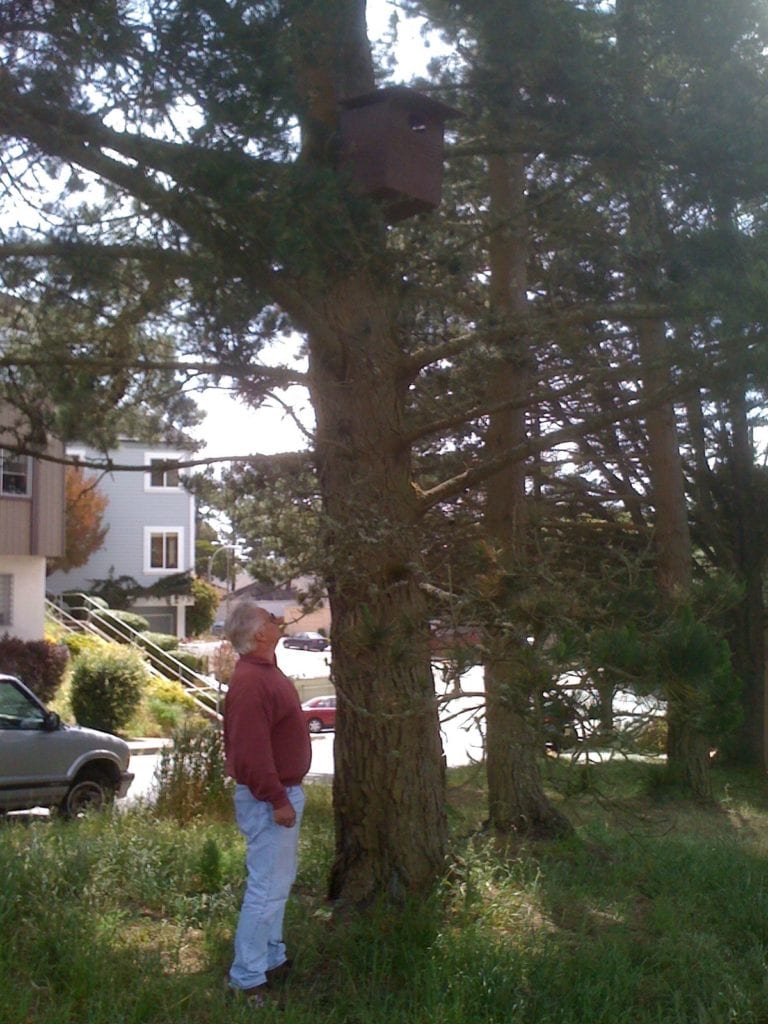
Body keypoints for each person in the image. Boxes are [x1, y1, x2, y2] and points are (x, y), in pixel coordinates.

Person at [223, 599, 312, 1006]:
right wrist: (278, 798)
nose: (278, 621)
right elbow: (250, 753)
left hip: (278, 794)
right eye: (269, 618)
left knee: (277, 886)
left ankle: (271, 958)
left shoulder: (264, 673)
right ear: (259, 634)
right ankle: (247, 976)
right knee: (264, 890)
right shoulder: (251, 682)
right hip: (268, 800)